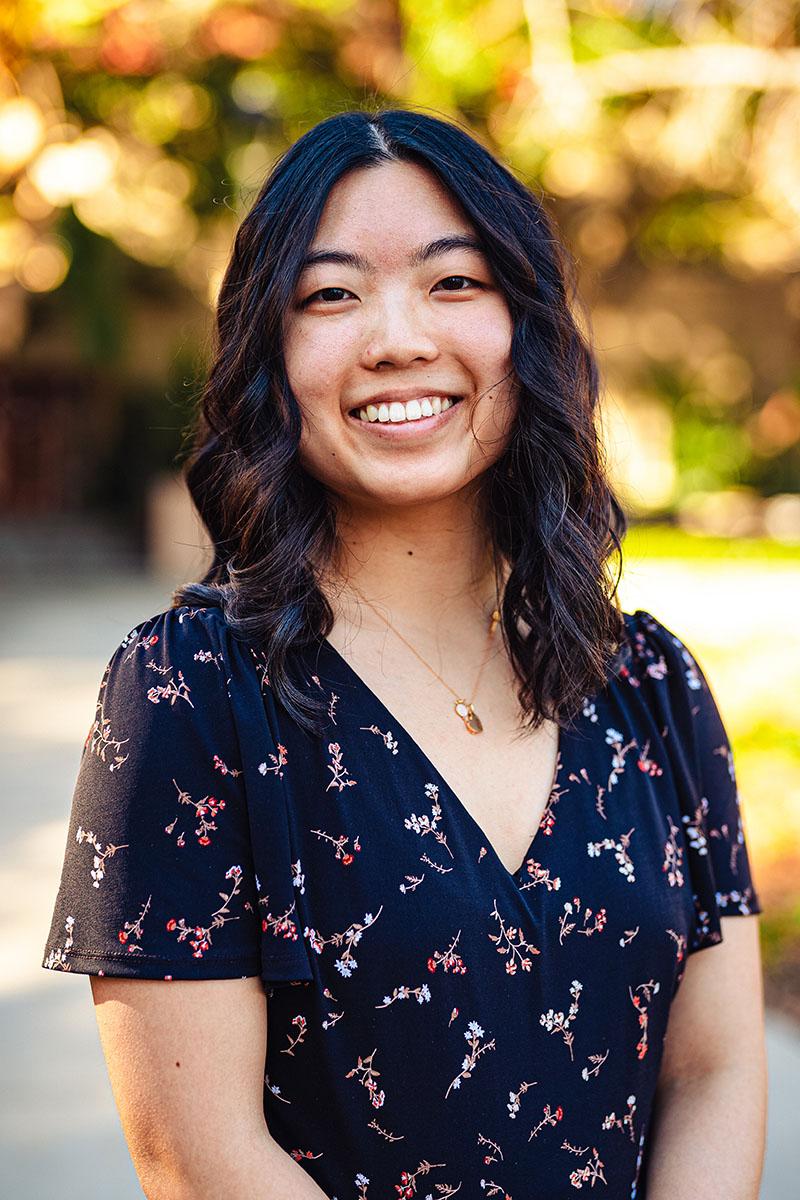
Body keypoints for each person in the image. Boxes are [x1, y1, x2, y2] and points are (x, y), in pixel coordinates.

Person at [42, 108, 767, 1199]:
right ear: (268, 354)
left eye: (454, 282)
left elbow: (714, 1070)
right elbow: (198, 1161)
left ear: (526, 325)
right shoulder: (186, 695)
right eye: (330, 295)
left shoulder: (649, 683)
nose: (396, 339)